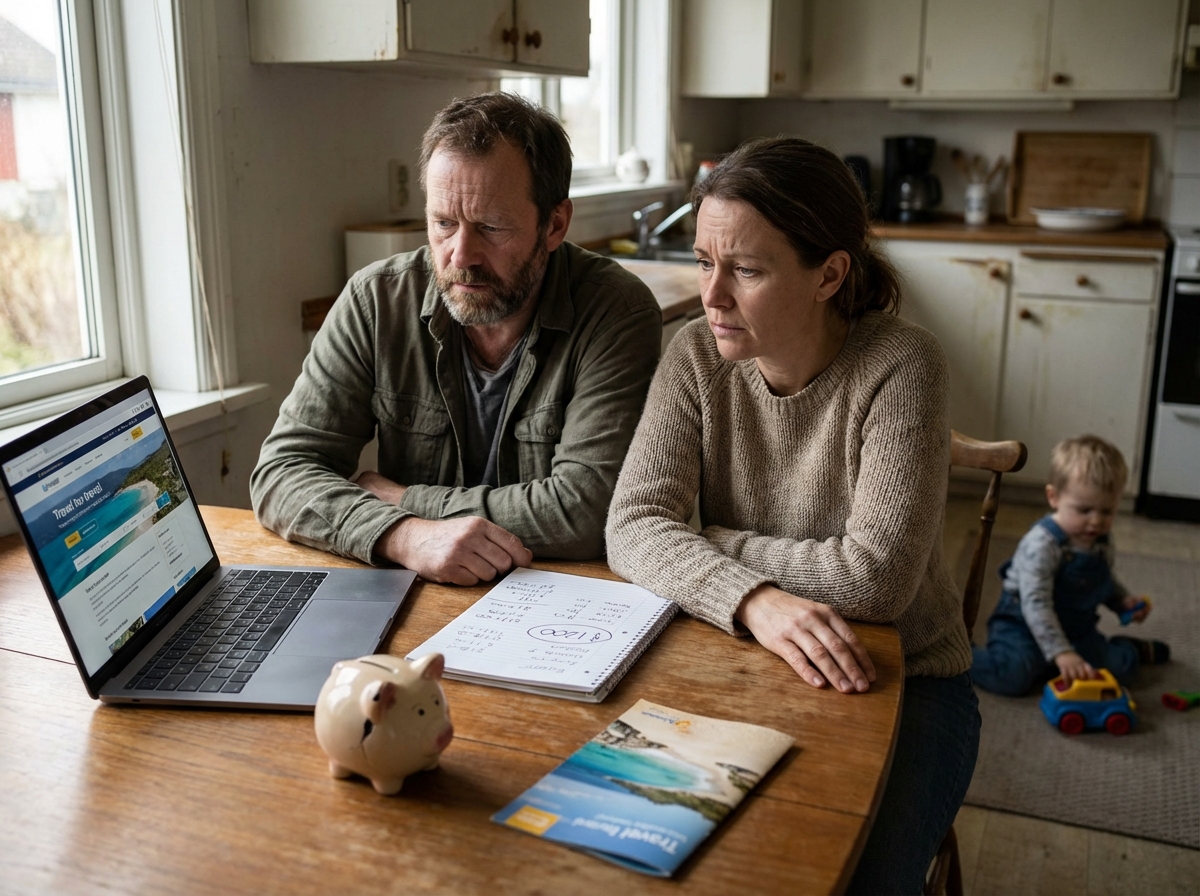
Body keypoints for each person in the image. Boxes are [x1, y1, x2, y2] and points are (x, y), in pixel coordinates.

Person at [604, 136, 978, 896]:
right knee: (646, 854)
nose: (712, 296)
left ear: (828, 275)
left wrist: (705, 543)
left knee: (855, 881)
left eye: (745, 270)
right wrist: (753, 601)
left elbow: (874, 580)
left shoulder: (903, 365)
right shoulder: (693, 357)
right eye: (704, 262)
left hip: (904, 681)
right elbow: (631, 527)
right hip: (743, 654)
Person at [251, 93, 662, 585]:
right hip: (416, 591)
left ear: (554, 225)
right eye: (444, 224)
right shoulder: (376, 301)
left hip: (562, 599)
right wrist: (404, 534)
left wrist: (403, 499)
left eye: (491, 227)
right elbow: (281, 473)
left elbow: (586, 511)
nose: (461, 255)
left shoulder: (616, 310)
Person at [971, 435, 1169, 695]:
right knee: (1011, 675)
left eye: (1107, 511)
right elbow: (1036, 604)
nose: (1096, 521)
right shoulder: (1042, 544)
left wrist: (1122, 601)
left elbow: (1101, 580)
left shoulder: (1101, 540)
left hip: (1077, 630)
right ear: (1054, 497)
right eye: (1084, 510)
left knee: (1120, 670)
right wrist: (1061, 652)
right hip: (1023, 626)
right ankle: (963, 655)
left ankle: (1131, 648)